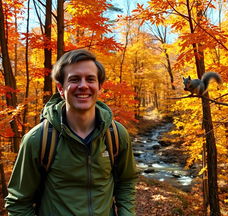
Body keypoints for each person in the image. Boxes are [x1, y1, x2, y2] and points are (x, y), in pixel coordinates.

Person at [5, 49, 138, 216]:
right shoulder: (39, 139)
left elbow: (126, 182)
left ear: (99, 87)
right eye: (74, 79)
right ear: (61, 89)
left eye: (90, 79)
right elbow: (18, 202)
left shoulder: (116, 135)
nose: (83, 86)